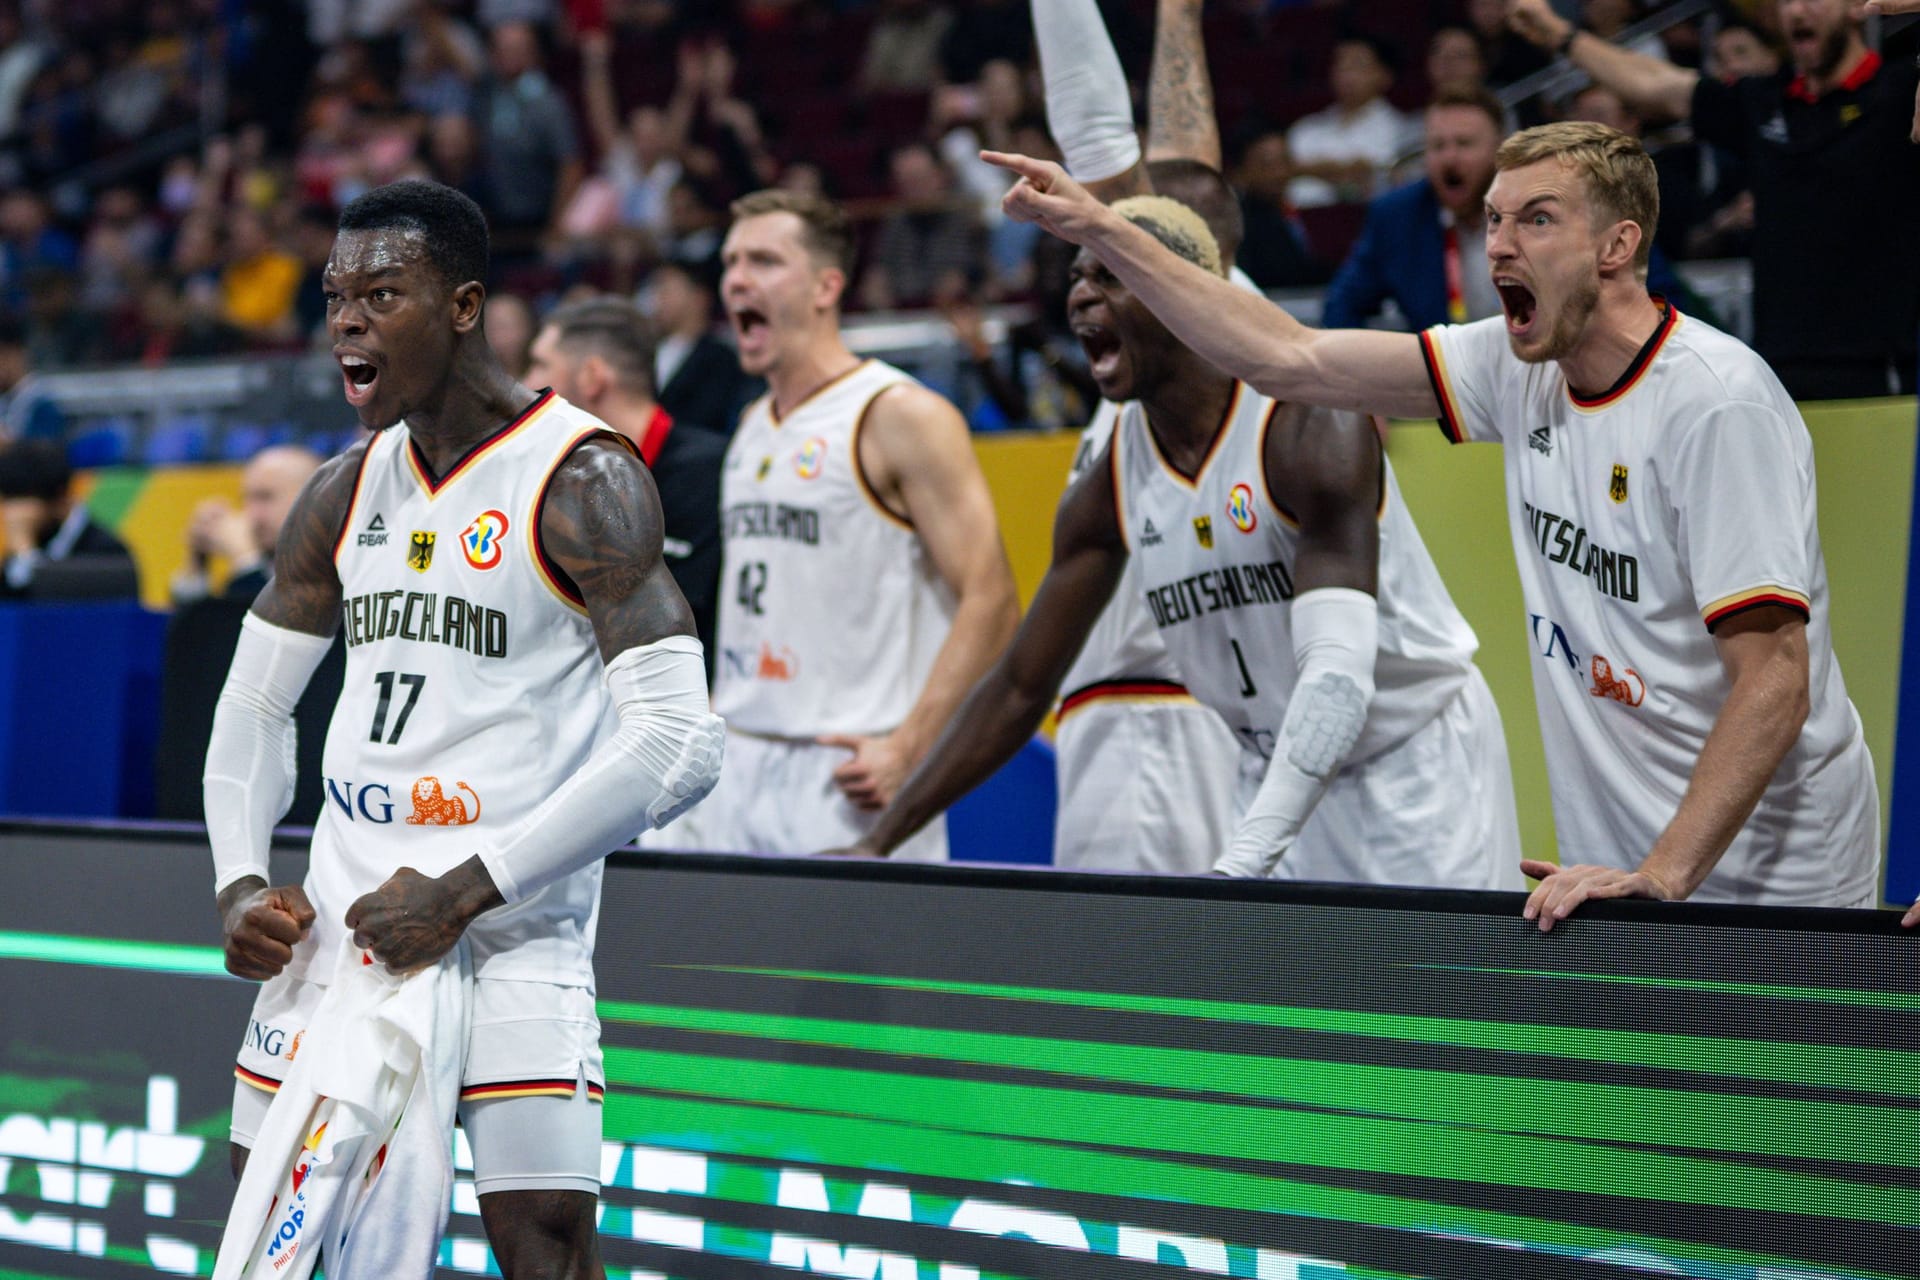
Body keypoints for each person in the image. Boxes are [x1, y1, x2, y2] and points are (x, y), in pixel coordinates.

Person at [983, 120, 1883, 926]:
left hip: (1770, 856)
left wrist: (1664, 872)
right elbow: (1286, 355)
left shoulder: (1717, 406)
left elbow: (1774, 678)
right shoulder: (1512, 365)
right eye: (1491, 220)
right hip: (1629, 854)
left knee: (1797, 1114)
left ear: (1618, 244)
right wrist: (1103, 229)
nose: (1498, 246)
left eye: (1535, 219)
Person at [205, 179, 722, 1275]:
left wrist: (463, 889)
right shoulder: (339, 489)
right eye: (336, 294)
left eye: (381, 293)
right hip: (345, 923)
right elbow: (254, 704)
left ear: (464, 305)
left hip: (509, 923)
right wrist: (242, 881)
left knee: (542, 1242)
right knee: (267, 1235)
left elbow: (681, 736)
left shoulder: (582, 476)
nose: (345, 319)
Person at [846, 194, 1522, 892]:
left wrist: (1243, 858)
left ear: (1184, 290)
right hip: (1270, 778)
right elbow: (1022, 684)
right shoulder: (1113, 476)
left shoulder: (1302, 424)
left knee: (1439, 1000)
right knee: (1289, 1003)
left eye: (1107, 275)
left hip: (1412, 770)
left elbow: (1337, 678)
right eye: (1076, 277)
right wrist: (879, 839)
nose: (1079, 296)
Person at [658, 188, 1017, 861]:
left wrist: (910, 745)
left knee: (859, 968)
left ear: (827, 285)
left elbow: (993, 598)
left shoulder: (898, 413)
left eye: (763, 260)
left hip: (848, 773)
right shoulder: (752, 424)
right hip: (741, 758)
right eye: (732, 260)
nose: (735, 277)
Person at [1506, 0, 1920, 398]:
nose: (1796, 9)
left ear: (1855, 7)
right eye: (1787, 0)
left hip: (1879, 363)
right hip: (1778, 362)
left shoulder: (1902, 92)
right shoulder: (1762, 102)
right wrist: (1558, 33)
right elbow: (1656, 84)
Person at [526, 296, 725, 663]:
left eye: (540, 365)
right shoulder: (554, 480)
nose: (527, 384)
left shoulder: (716, 473)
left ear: (592, 377)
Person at [171, 444, 322, 604]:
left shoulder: (335, 568)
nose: (250, 513)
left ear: (314, 500)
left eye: (265, 497)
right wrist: (196, 566)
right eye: (246, 499)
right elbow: (203, 627)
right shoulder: (264, 565)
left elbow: (275, 621)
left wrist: (246, 561)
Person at [1285, 36, 1419, 209]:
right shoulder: (1305, 128)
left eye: (1357, 65)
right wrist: (1341, 170)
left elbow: (1371, 173)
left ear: (1385, 76)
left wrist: (1307, 170)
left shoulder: (1399, 129)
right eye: (1340, 64)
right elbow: (1281, 172)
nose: (1345, 72)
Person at [0, 438, 138, 599]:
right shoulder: (22, 550)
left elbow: (55, 609)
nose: (12, 518)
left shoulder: (107, 552)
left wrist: (26, 554)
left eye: (23, 509)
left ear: (60, 499)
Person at [643, 255, 753, 435]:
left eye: (666, 290)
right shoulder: (648, 350)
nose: (657, 300)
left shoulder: (720, 359)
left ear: (699, 297)